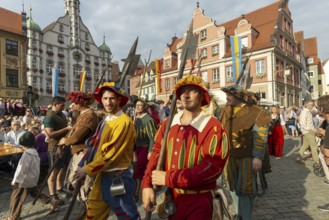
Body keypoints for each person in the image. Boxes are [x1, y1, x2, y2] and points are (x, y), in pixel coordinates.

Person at [142, 75, 229, 219]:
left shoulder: (213, 126)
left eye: (192, 91)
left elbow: (213, 168)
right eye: (182, 91)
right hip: (173, 200)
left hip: (198, 202)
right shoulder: (168, 123)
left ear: (202, 96)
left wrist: (170, 178)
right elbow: (157, 153)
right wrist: (146, 185)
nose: (186, 95)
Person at [74, 82, 140, 219]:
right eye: (105, 98)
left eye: (112, 98)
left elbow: (112, 155)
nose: (108, 102)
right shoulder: (106, 120)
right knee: (93, 213)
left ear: (119, 100)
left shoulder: (124, 122)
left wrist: (87, 169)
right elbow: (94, 146)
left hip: (117, 178)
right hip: (101, 176)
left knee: (126, 215)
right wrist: (82, 163)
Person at [221, 85, 272, 220]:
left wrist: (257, 157)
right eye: (227, 94)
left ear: (240, 97)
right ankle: (239, 214)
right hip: (229, 157)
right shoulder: (223, 110)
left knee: (245, 190)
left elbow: (260, 136)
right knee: (232, 187)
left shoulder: (256, 112)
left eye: (230, 95)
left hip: (247, 158)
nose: (227, 97)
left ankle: (246, 217)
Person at [8, 132, 57, 220]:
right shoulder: (34, 152)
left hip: (24, 181)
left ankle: (13, 216)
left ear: (24, 144)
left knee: (16, 198)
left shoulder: (27, 154)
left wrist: (16, 181)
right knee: (35, 193)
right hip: (32, 179)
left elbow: (21, 169)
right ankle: (51, 201)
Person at [44, 96, 71, 205]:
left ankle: (60, 188)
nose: (64, 107)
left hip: (64, 145)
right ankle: (52, 195)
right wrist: (66, 129)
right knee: (54, 171)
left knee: (63, 168)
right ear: (55, 104)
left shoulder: (61, 114)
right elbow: (49, 134)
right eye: (62, 105)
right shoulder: (49, 117)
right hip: (54, 147)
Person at [133, 99, 157, 201]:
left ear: (144, 107)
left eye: (140, 105)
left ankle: (137, 192)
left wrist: (150, 151)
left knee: (139, 169)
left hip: (144, 147)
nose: (138, 107)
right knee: (135, 169)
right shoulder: (135, 118)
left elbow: (152, 137)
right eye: (137, 105)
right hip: (135, 147)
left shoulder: (148, 120)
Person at [297, 100, 320, 167]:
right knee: (314, 146)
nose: (312, 106)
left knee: (305, 145)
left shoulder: (307, 111)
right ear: (306, 105)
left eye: (312, 105)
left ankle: (298, 157)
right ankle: (317, 161)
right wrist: (308, 129)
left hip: (307, 131)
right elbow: (302, 123)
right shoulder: (305, 112)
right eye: (310, 105)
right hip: (308, 131)